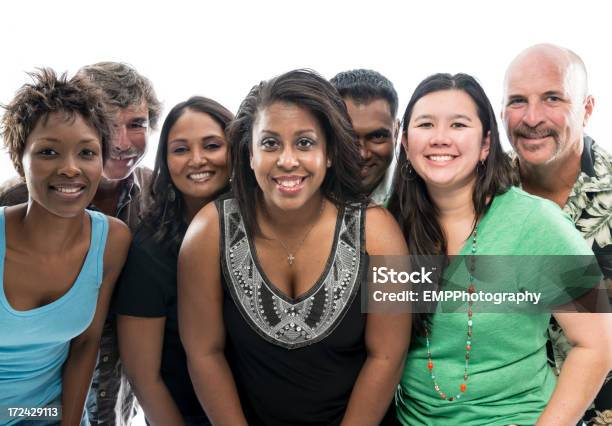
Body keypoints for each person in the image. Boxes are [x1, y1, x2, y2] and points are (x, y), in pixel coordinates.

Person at [178, 69, 411, 425]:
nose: (287, 160)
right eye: (270, 143)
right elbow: (204, 353)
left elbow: (386, 356)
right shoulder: (209, 231)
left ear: (330, 153)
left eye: (305, 143)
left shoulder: (377, 232)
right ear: (250, 153)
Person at [388, 73, 612, 425]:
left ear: (485, 145)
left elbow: (598, 346)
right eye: (426, 124)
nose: (440, 138)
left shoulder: (540, 223)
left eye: (459, 124)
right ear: (404, 140)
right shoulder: (387, 225)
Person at [0, 62, 161, 425]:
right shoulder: (9, 200)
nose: (122, 142)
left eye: (136, 124)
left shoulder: (155, 203)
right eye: (48, 152)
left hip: (88, 403)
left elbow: (88, 342)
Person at [502, 43, 612, 422]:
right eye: (518, 100)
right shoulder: (476, 194)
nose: (533, 117)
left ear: (587, 108)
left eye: (552, 98)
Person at [114, 96, 233, 425]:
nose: (197, 160)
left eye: (211, 145)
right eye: (180, 149)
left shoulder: (260, 229)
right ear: (165, 160)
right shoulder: (150, 249)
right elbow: (144, 377)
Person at [330, 69, 399, 206]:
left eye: (377, 136)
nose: (362, 154)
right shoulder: (302, 189)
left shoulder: (422, 193)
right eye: (348, 137)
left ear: (396, 132)